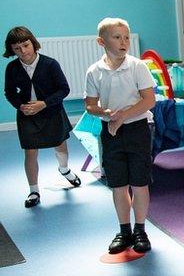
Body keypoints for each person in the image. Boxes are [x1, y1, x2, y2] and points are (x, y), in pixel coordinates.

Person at [84, 18, 157, 255]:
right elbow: (90, 106)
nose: (124, 42)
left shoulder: (137, 67)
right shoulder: (94, 71)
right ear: (101, 41)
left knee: (139, 182)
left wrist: (122, 116)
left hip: (137, 129)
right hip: (111, 132)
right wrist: (105, 113)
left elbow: (149, 100)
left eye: (126, 37)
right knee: (118, 184)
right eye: (117, 37)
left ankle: (140, 230)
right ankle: (124, 231)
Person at [4, 26, 82, 208]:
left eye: (26, 45)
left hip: (52, 111)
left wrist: (44, 104)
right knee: (30, 151)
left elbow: (64, 89)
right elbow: (9, 92)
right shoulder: (12, 68)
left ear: (33, 43)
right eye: (17, 48)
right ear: (12, 50)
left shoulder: (50, 64)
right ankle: (33, 190)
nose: (23, 51)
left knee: (60, 144)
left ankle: (65, 170)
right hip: (27, 115)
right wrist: (20, 106)